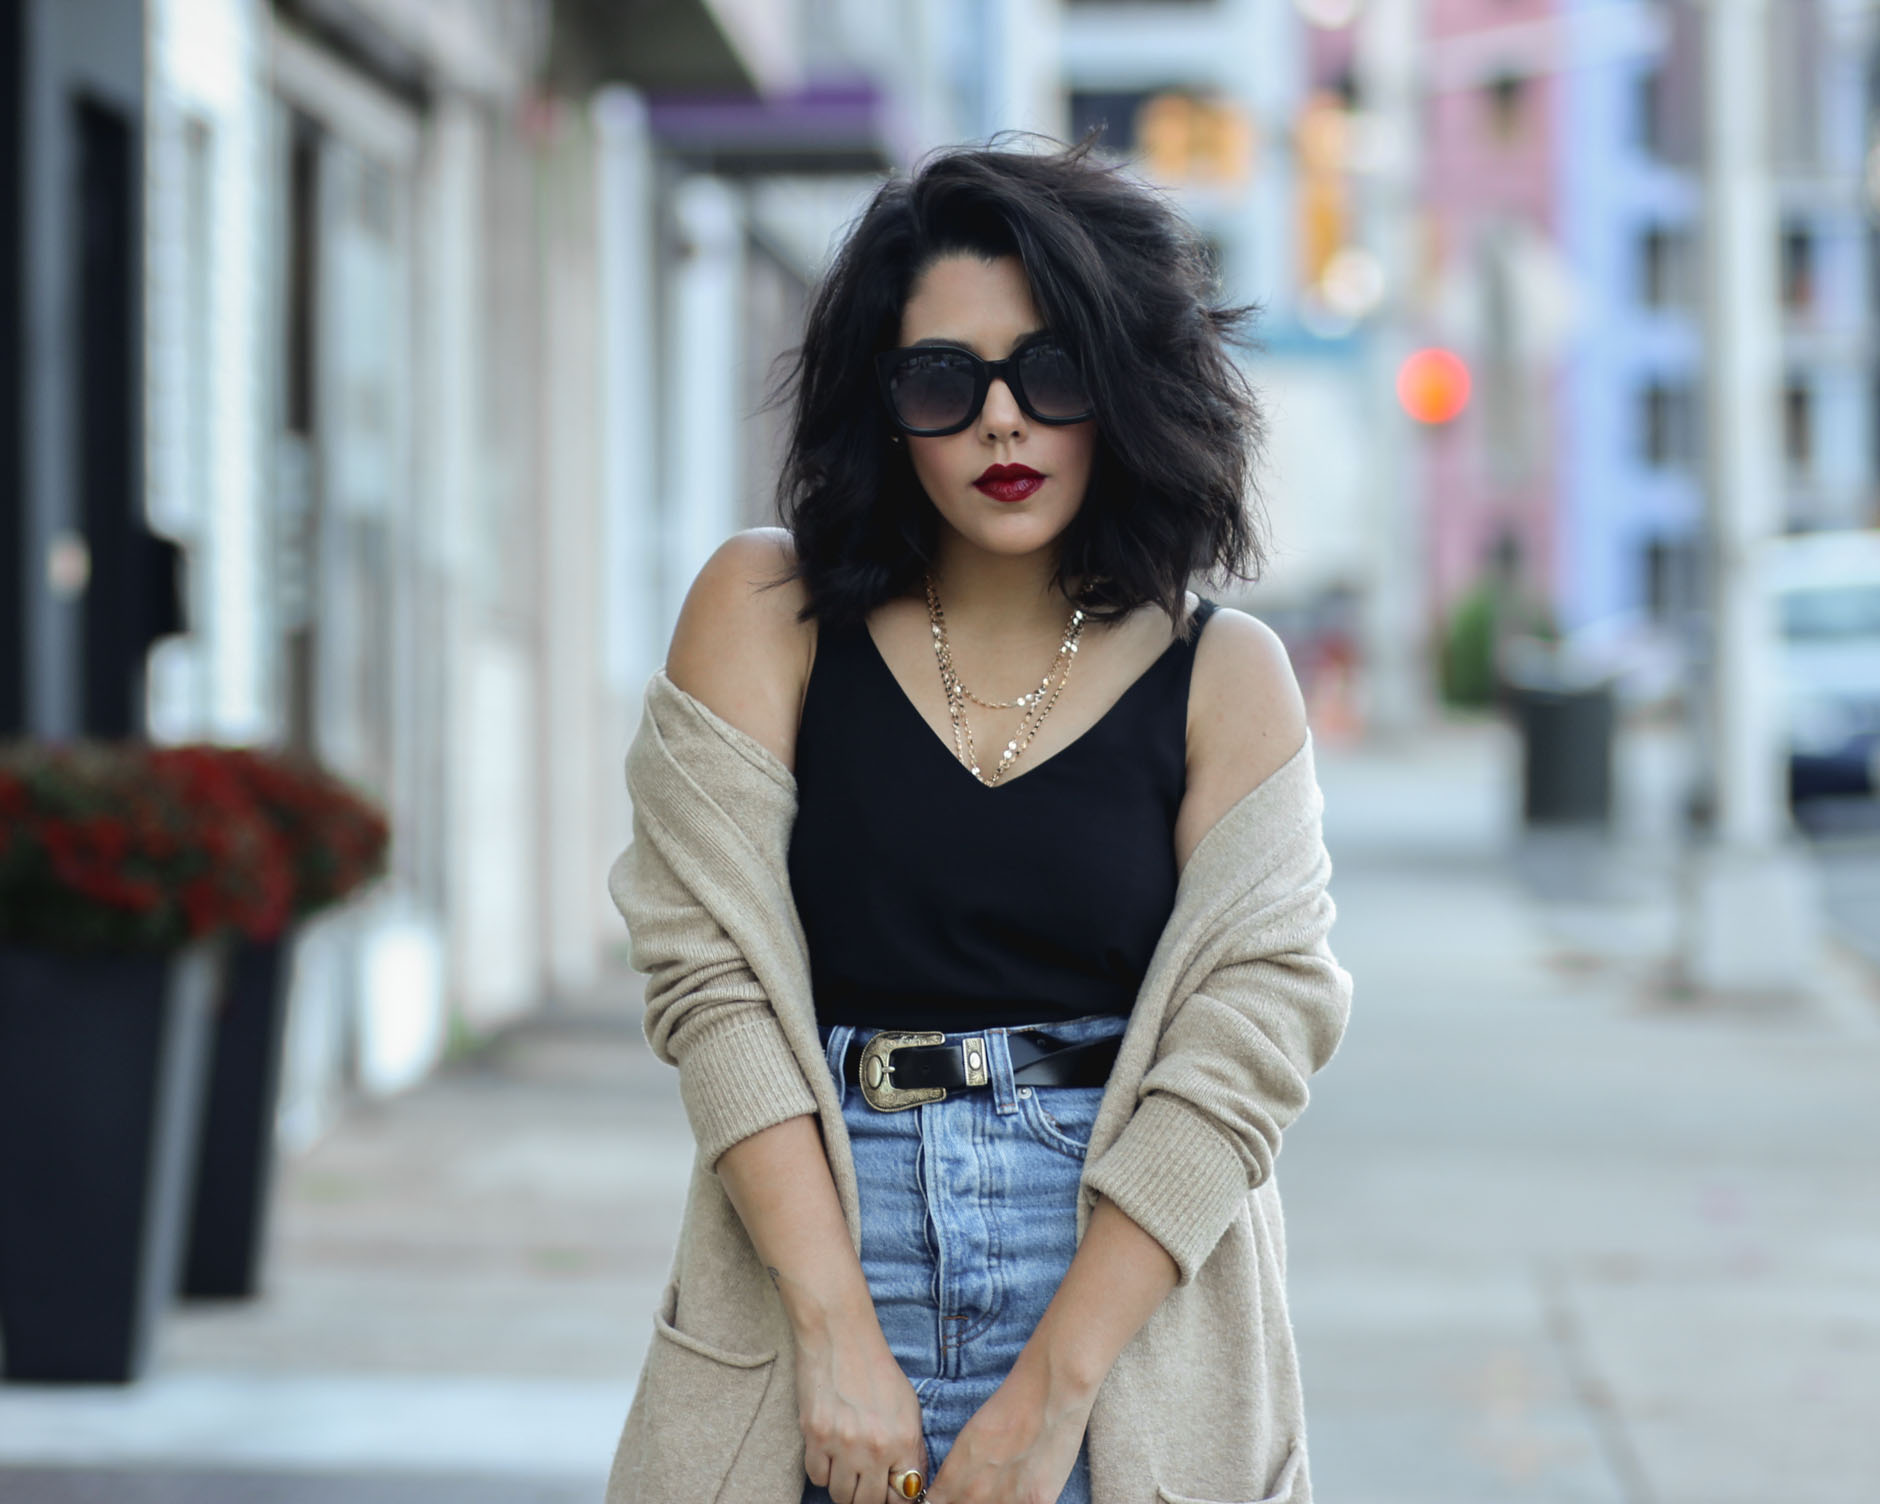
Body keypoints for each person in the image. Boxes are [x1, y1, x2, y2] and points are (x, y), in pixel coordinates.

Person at [608, 134, 1352, 1504]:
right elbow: (706, 976)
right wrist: (833, 1325)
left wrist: (1058, 1385)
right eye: (943, 380)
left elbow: (1257, 1030)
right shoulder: (766, 617)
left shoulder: (1223, 676)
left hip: (1125, 1288)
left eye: (1051, 370)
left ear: (1124, 384)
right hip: (820, 1242)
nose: (1001, 421)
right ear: (882, 408)